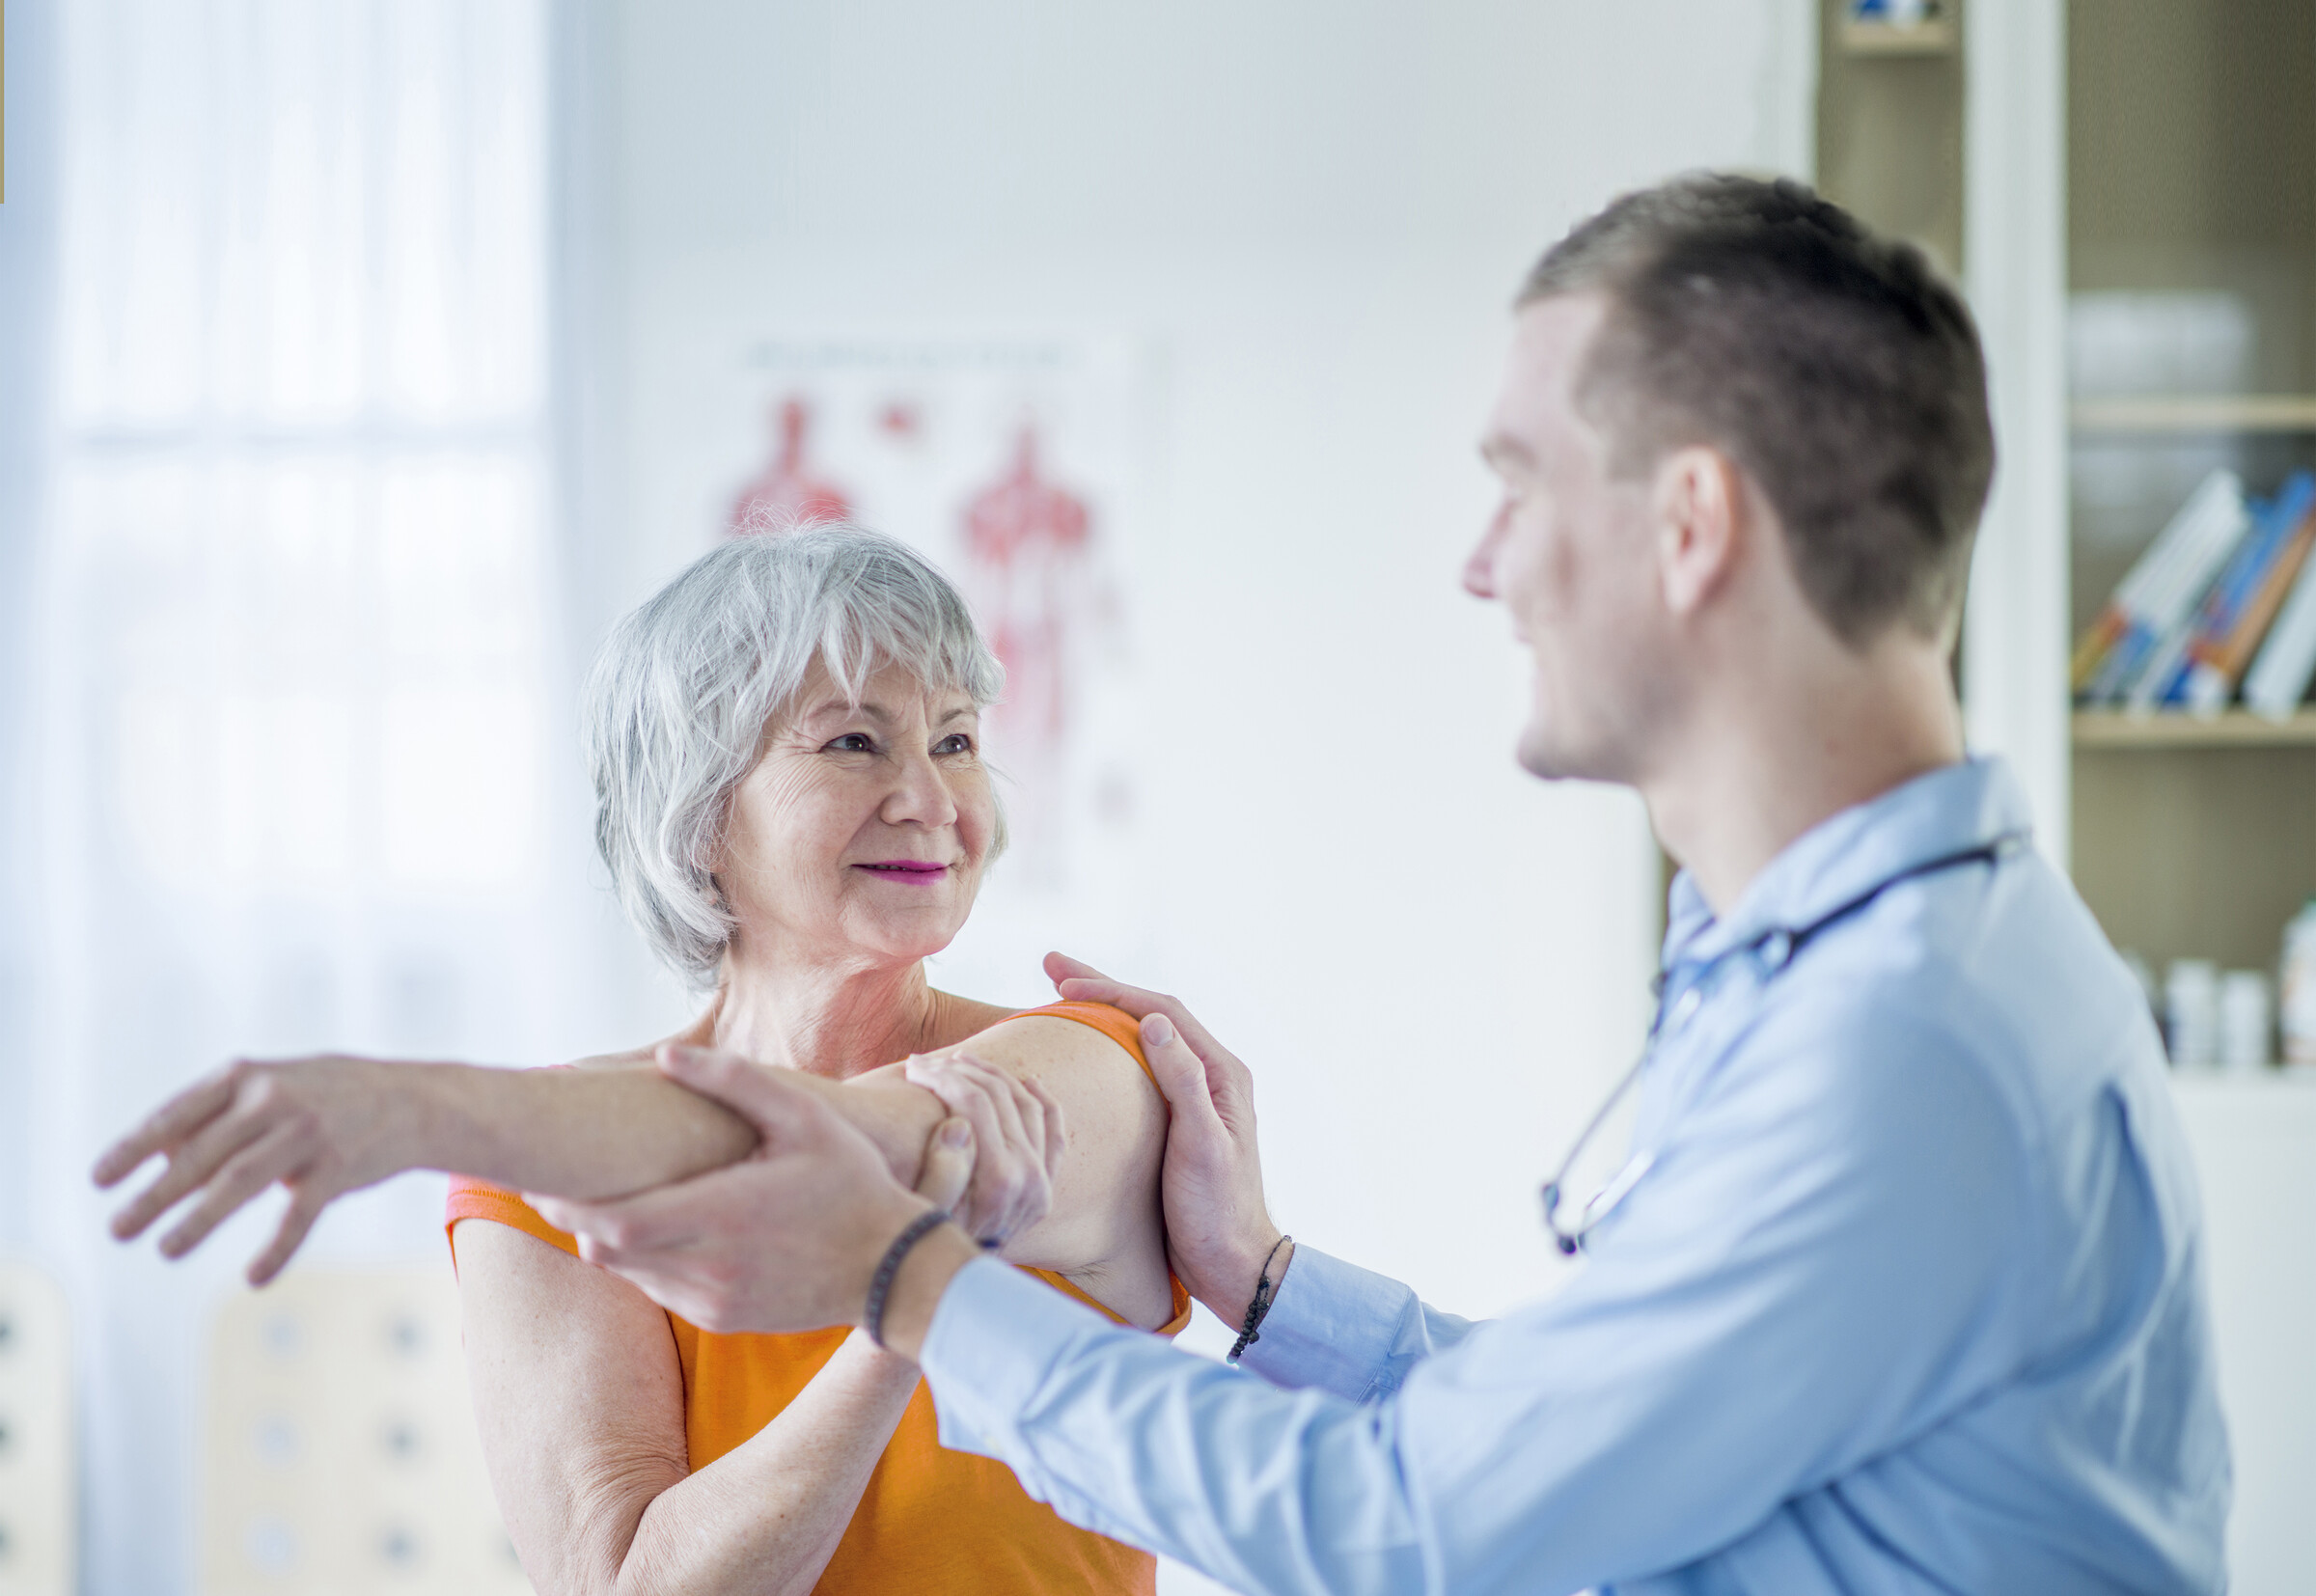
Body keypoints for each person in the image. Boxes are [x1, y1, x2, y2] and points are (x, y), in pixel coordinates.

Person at [534, 177, 2232, 1595]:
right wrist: (1269, 1286)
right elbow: (1579, 1443)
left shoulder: (1896, 1042)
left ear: (1691, 524)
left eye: (1520, 483)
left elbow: (1419, 1523)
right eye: (849, 742)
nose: (1482, 565)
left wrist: (914, 1280)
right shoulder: (1843, 969)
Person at [95, 528, 1188, 1595]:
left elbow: (881, 1145)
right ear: (701, 814)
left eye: (955, 740)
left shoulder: (1089, 1059)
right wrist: (904, 1317)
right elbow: (632, 1584)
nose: (934, 800)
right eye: (854, 742)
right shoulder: (537, 1172)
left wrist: (428, 1109)